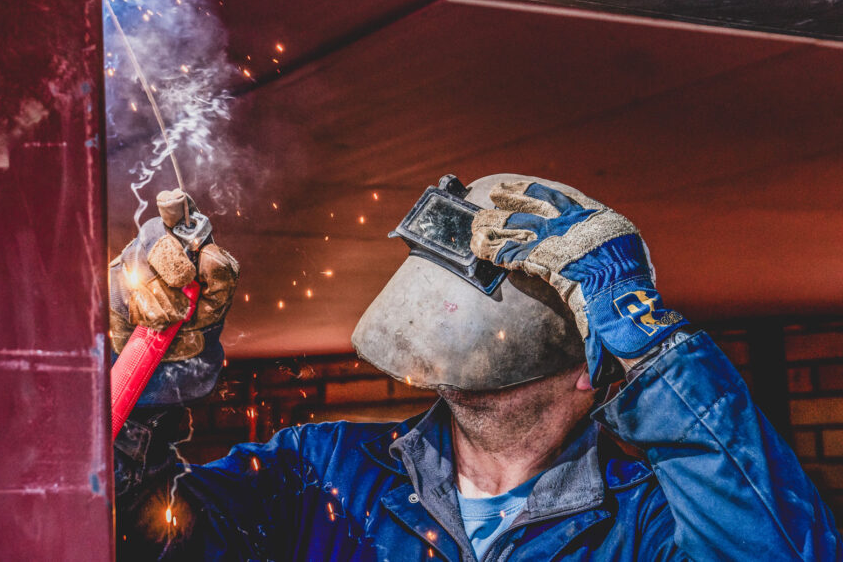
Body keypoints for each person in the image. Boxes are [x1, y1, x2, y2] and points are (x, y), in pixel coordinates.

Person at [110, 175, 841, 561]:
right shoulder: (324, 474)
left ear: (595, 366)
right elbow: (130, 541)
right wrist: (140, 376)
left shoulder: (648, 528)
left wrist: (656, 350)